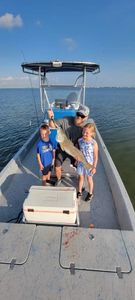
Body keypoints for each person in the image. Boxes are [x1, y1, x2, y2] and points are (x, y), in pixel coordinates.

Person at [48, 104, 92, 185]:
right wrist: (51, 118)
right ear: (76, 113)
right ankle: (59, 179)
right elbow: (52, 125)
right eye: (78, 114)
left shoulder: (85, 127)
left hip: (76, 150)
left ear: (86, 118)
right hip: (62, 147)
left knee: (80, 166)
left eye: (82, 116)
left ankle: (81, 180)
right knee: (57, 167)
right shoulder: (66, 119)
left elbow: (89, 141)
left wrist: (81, 155)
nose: (79, 117)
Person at [77, 123, 98, 202]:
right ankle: (79, 191)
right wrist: (77, 158)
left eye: (87, 133)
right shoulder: (80, 140)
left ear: (92, 133)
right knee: (81, 178)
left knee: (89, 179)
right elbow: (79, 151)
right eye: (83, 132)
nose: (84, 134)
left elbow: (95, 156)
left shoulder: (94, 143)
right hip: (81, 163)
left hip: (89, 165)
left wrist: (94, 167)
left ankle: (90, 193)